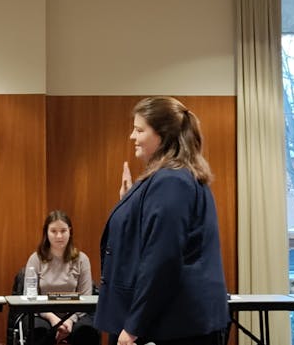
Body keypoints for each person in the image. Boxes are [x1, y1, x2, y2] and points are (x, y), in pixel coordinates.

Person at [94, 96, 229, 345]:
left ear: (163, 135)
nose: (132, 137)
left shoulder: (171, 181)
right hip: (175, 322)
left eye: (139, 130)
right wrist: (129, 203)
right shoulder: (174, 178)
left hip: (170, 326)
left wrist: (134, 326)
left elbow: (162, 258)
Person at [24, 210, 99, 345]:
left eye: (63, 231)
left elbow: (86, 298)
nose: (59, 236)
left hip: (76, 314)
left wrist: (70, 320)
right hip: (44, 314)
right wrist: (54, 320)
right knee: (39, 332)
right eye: (53, 231)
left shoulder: (82, 259)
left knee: (87, 332)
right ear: (46, 233)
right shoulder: (36, 259)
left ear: (70, 232)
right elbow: (30, 297)